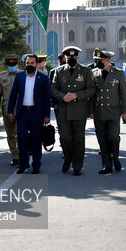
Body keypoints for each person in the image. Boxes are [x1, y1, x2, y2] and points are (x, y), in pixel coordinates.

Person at [51, 46, 96, 175]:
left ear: (77, 57)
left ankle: (77, 166)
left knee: (78, 140)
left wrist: (76, 95)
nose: (71, 59)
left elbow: (91, 89)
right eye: (69, 58)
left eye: (74, 58)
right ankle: (68, 159)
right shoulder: (59, 71)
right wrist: (62, 97)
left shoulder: (86, 70)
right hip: (63, 111)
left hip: (79, 110)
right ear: (65, 58)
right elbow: (53, 88)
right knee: (65, 138)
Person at [8, 54, 51, 174]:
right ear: (25, 64)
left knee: (36, 140)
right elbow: (13, 95)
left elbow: (47, 98)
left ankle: (36, 165)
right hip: (22, 113)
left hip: (36, 114)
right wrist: (10, 111)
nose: (29, 65)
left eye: (32, 63)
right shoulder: (20, 76)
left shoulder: (43, 77)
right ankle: (23, 164)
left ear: (36, 64)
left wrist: (47, 115)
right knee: (21, 138)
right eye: (27, 63)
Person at [89, 49, 126, 174]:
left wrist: (125, 111)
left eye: (100, 60)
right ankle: (106, 165)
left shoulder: (118, 73)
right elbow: (92, 95)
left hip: (113, 111)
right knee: (102, 139)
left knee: (113, 137)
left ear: (108, 60)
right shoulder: (94, 73)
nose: (98, 62)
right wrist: (91, 111)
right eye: (97, 60)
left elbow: (123, 94)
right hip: (99, 111)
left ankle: (115, 158)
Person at [0, 54, 20, 166]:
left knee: (21, 134)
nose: (12, 67)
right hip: (7, 110)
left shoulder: (22, 74)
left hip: (21, 109)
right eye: (10, 65)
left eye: (14, 64)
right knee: (10, 134)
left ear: (17, 64)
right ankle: (14, 155)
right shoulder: (1, 77)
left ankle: (22, 154)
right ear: (7, 65)